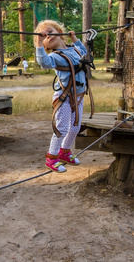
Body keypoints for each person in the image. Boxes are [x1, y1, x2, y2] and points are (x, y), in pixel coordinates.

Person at [35, 20, 88, 173]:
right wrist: (38, 41)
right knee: (62, 128)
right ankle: (51, 158)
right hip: (63, 97)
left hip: (78, 96)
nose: (48, 36)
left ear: (59, 31)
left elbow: (83, 52)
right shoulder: (55, 57)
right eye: (44, 37)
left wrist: (74, 39)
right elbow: (43, 62)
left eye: (50, 32)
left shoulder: (75, 49)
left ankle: (64, 152)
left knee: (75, 128)